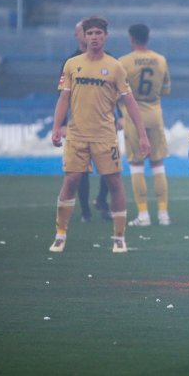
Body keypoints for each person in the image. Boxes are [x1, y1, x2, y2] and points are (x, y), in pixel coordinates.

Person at [49, 16, 150, 254]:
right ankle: (60, 234)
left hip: (105, 135)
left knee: (114, 182)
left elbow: (129, 101)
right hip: (77, 134)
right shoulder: (72, 64)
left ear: (105, 36)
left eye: (98, 33)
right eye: (90, 33)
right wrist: (57, 127)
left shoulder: (115, 66)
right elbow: (64, 98)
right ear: (83, 36)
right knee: (71, 180)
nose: (94, 37)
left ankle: (118, 237)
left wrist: (142, 134)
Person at [119, 24, 172, 227]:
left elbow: (118, 92)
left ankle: (143, 215)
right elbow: (166, 89)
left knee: (136, 166)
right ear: (148, 38)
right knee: (158, 165)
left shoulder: (123, 62)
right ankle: (163, 214)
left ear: (131, 38)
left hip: (133, 118)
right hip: (155, 114)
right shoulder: (160, 60)